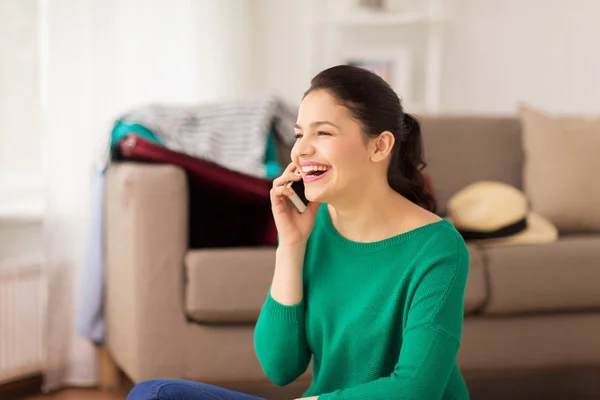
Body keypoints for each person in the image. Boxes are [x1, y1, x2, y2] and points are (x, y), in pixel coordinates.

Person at [127, 65, 470, 400]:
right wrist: (291, 244)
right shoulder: (313, 226)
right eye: (299, 134)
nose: (301, 150)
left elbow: (416, 389)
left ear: (379, 146)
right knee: (156, 394)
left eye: (322, 132)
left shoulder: (437, 247)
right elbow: (280, 368)